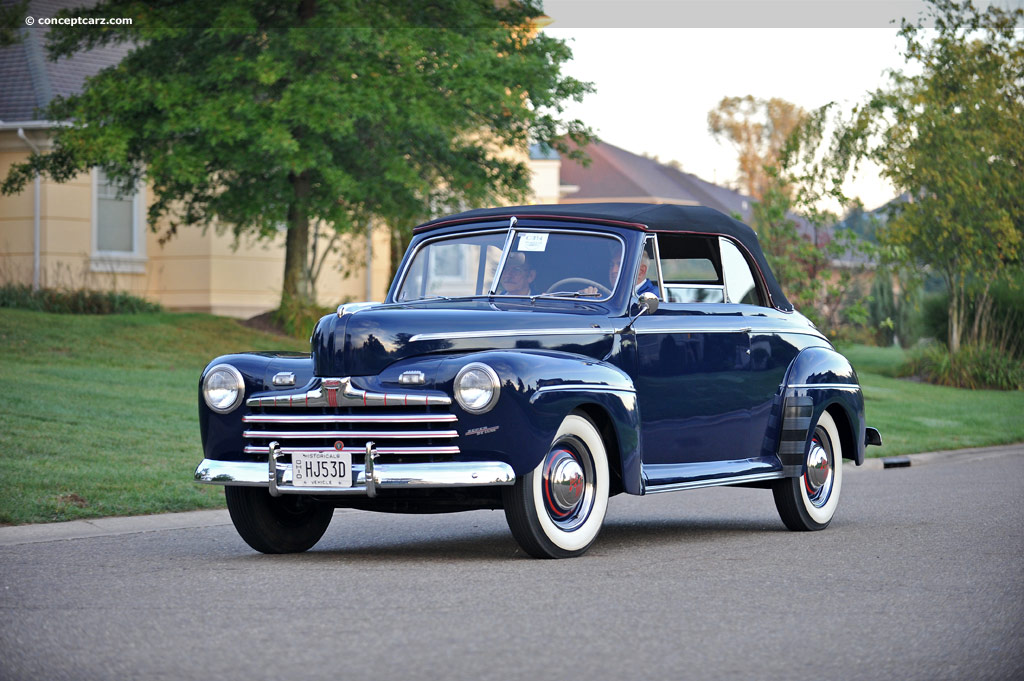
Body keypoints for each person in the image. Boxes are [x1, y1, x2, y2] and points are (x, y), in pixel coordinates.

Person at [582, 251, 660, 299]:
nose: (613, 270)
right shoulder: (606, 292)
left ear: (641, 271)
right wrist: (586, 297)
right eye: (611, 265)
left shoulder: (653, 296)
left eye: (620, 264)